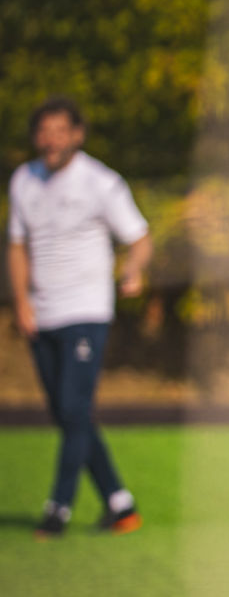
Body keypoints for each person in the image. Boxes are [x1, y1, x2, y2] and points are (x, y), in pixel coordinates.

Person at [8, 97, 151, 540]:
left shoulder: (101, 183)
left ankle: (59, 508)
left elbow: (140, 238)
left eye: (59, 130)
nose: (51, 139)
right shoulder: (24, 180)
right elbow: (17, 246)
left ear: (77, 135)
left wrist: (133, 270)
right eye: (43, 131)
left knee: (73, 408)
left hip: (87, 310)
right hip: (43, 313)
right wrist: (21, 302)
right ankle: (119, 502)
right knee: (68, 415)